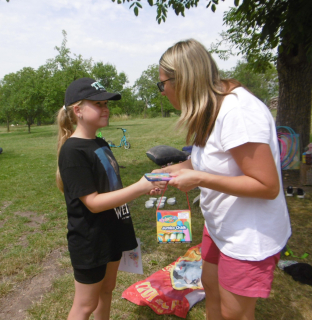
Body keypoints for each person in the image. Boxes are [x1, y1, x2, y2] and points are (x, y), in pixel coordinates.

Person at [155, 39, 291, 320]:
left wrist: (199, 179)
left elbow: (266, 185)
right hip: (221, 227)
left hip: (247, 236)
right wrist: (172, 170)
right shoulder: (211, 110)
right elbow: (207, 161)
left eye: (162, 84)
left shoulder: (237, 112)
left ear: (182, 80)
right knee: (212, 291)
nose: (162, 91)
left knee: (235, 314)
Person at [56, 77, 161, 320]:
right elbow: (92, 202)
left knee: (106, 290)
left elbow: (111, 189)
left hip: (112, 232)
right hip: (90, 241)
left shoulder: (100, 143)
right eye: (99, 104)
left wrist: (146, 188)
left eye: (106, 103)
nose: (106, 108)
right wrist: (139, 187)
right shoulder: (73, 151)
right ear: (78, 110)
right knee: (85, 305)